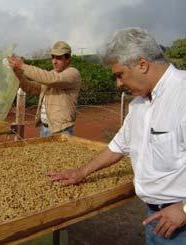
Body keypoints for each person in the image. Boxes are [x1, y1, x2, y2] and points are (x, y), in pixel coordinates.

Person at [47, 28, 186, 244]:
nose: (119, 84)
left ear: (142, 64)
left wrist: (184, 209)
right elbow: (118, 147)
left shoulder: (182, 94)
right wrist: (81, 172)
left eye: (120, 75)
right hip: (156, 217)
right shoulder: (139, 105)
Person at [8, 41, 81, 137]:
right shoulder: (51, 75)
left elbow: (52, 79)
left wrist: (22, 66)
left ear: (68, 59)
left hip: (61, 131)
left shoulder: (73, 73)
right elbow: (30, 87)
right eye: (53, 57)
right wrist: (18, 73)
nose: (54, 61)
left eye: (59, 58)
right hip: (45, 129)